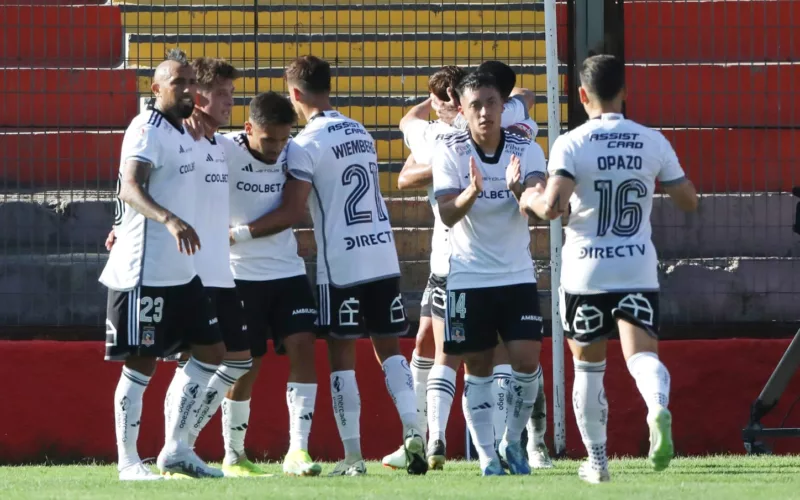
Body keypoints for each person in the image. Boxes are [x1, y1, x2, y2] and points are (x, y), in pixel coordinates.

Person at [521, 54, 698, 484]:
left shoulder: (572, 143)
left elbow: (553, 208)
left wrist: (525, 194)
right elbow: (689, 199)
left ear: (582, 95)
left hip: (586, 270)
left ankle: (598, 464)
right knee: (641, 356)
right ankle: (656, 407)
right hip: (636, 267)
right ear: (625, 90)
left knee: (588, 369)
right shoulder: (651, 140)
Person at [248, 55, 427, 476]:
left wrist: (239, 231)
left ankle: (353, 458)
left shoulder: (304, 145)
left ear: (294, 95)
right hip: (382, 254)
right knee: (391, 350)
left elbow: (292, 208)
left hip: (341, 263)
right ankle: (413, 430)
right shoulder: (361, 131)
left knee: (341, 356)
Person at [99, 48, 225, 480]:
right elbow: (130, 187)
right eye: (179, 83)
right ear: (156, 89)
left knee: (212, 353)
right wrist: (168, 219)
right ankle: (128, 461)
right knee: (142, 364)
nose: (189, 89)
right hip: (144, 270)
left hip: (182, 272)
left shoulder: (180, 131)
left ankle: (175, 448)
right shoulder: (146, 128)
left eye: (192, 82)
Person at [432, 71, 547, 476]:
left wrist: (519, 191)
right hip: (469, 277)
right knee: (477, 366)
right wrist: (472, 192)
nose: (484, 112)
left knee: (526, 361)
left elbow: (538, 197)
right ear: (461, 111)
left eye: (491, 103)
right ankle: (486, 456)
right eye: (475, 105)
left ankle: (512, 441)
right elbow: (446, 212)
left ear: (503, 106)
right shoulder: (450, 149)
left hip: (516, 274)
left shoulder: (526, 147)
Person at [165, 57, 267, 478]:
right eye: (223, 94)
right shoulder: (176, 138)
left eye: (230, 93)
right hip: (189, 272)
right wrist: (121, 223)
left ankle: (181, 442)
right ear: (200, 95)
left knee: (239, 360)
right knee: (197, 359)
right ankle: (176, 447)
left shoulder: (220, 144)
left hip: (221, 272)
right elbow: (135, 173)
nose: (230, 101)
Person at [223, 91, 322, 477]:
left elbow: (292, 211)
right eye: (269, 140)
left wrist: (236, 234)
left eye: (284, 139)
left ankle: (298, 451)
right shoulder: (222, 150)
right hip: (239, 276)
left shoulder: (294, 152)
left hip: (287, 270)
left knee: (303, 346)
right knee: (246, 363)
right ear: (248, 129)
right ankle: (233, 455)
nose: (278, 148)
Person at [382, 65, 465, 471]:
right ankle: (415, 438)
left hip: (468, 261)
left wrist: (435, 106)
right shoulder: (489, 128)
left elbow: (406, 120)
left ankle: (437, 438)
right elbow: (525, 94)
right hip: (445, 260)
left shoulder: (434, 134)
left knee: (460, 353)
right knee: (425, 343)